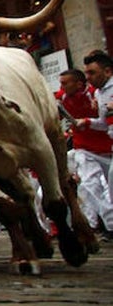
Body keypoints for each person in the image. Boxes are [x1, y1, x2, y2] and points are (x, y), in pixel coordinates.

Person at [58, 68, 113, 236]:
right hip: (83, 147)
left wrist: (88, 120)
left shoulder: (95, 94)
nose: (61, 87)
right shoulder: (62, 99)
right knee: (89, 185)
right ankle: (110, 225)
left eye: (65, 83)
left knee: (108, 187)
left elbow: (103, 122)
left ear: (78, 84)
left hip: (106, 146)